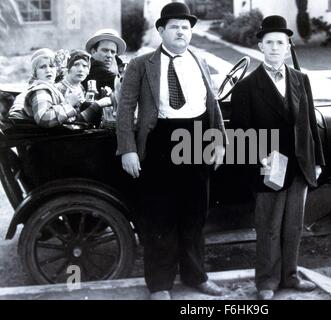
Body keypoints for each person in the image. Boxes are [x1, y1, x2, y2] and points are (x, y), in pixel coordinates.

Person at [116, 2, 227, 300]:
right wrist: (127, 149)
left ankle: (195, 276)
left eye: (186, 27)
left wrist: (218, 142)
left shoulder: (199, 60)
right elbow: (125, 109)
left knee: (195, 213)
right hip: (160, 142)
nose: (181, 32)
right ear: (161, 30)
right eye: (175, 27)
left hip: (197, 140)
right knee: (160, 215)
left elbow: (212, 104)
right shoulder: (141, 64)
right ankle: (160, 285)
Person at [230, 16, 326, 300]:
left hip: (299, 164)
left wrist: (317, 161)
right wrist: (259, 160)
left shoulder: (300, 79)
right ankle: (267, 282)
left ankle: (291, 276)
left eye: (280, 43)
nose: (274, 48)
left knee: (293, 225)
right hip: (269, 165)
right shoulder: (247, 87)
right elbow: (239, 134)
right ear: (260, 46)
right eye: (269, 42)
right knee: (269, 227)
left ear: (287, 47)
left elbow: (309, 123)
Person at [8, 48, 101, 127]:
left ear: (57, 69)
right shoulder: (41, 90)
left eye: (52, 66)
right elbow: (43, 118)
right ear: (35, 72)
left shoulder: (51, 88)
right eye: (42, 67)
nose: (48, 70)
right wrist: (68, 104)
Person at [56, 50, 112, 126]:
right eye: (76, 65)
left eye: (85, 66)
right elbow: (69, 122)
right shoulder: (60, 88)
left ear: (88, 71)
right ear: (68, 67)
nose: (81, 69)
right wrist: (97, 104)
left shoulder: (80, 87)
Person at [83, 29, 126, 97]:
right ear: (93, 51)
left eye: (113, 52)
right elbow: (126, 84)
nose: (109, 55)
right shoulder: (94, 67)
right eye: (105, 50)